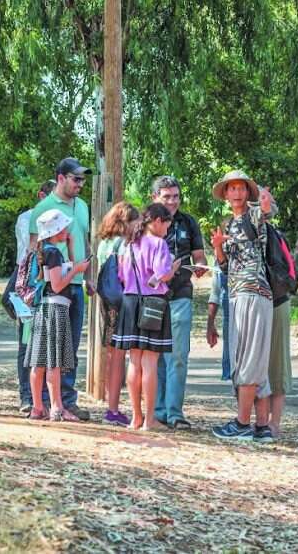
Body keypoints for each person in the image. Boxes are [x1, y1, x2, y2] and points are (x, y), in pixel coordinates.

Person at [210, 170, 277, 442]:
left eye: (240, 188)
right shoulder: (229, 225)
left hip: (252, 292)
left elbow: (266, 211)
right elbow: (225, 268)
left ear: (247, 192)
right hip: (238, 292)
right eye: (231, 188)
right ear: (225, 194)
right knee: (254, 359)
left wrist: (264, 202)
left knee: (248, 359)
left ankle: (241, 423)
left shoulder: (251, 215)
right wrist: (218, 248)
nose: (236, 193)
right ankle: (262, 427)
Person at [28, 158, 93, 421]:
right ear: (61, 178)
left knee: (69, 348)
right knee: (49, 353)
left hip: (75, 287)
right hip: (54, 288)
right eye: (76, 179)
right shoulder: (43, 209)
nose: (80, 184)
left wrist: (87, 275)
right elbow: (34, 251)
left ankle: (66, 400)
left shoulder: (83, 207)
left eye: (83, 180)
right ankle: (46, 402)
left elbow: (85, 241)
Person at [112, 203, 181, 431]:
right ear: (158, 221)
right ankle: (150, 419)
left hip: (130, 302)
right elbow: (162, 275)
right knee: (150, 361)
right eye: (167, 225)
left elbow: (122, 275)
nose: (167, 230)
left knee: (134, 360)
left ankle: (136, 417)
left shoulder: (129, 243)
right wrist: (173, 267)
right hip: (152, 303)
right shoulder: (159, 244)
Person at [150, 176, 208, 430]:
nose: (172, 201)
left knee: (178, 355)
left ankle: (175, 412)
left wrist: (200, 266)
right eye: (167, 196)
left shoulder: (189, 222)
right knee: (156, 356)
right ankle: (157, 410)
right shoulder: (147, 223)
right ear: (155, 198)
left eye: (176, 196)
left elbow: (199, 255)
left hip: (181, 293)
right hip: (153, 297)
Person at [96, 202, 141, 427]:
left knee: (112, 354)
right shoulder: (123, 244)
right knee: (119, 356)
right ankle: (113, 408)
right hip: (121, 302)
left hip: (106, 302)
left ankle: (110, 405)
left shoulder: (103, 243)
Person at [14, 180, 56, 414]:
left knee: (48, 345)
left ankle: (47, 397)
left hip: (48, 279)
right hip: (28, 281)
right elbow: (32, 247)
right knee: (26, 342)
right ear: (42, 195)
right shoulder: (27, 218)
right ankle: (28, 396)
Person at [268, 237, 298, 437]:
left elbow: (292, 275)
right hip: (251, 303)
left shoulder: (275, 237)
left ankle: (274, 423)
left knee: (278, 364)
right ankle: (256, 421)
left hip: (276, 301)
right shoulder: (239, 229)